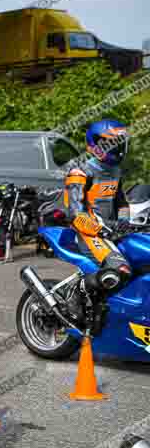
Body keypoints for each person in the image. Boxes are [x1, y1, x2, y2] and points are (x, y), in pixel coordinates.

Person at [63, 119, 132, 331]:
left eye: (120, 143)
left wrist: (124, 223)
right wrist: (100, 229)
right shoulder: (80, 173)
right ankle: (75, 292)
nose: (117, 149)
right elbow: (75, 214)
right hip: (89, 234)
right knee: (120, 269)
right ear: (95, 145)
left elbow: (120, 202)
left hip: (111, 231)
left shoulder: (115, 171)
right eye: (111, 144)